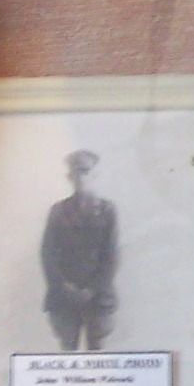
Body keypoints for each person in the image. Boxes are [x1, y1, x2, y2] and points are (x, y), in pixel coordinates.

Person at [40, 149, 119, 351]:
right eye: (75, 172)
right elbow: (48, 254)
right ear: (69, 176)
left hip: (98, 297)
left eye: (85, 171)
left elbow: (111, 256)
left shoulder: (107, 211)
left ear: (95, 174)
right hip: (63, 297)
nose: (80, 177)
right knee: (68, 355)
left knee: (96, 354)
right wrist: (64, 287)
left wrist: (91, 289)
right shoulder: (58, 212)